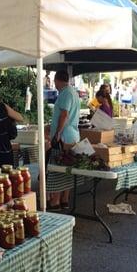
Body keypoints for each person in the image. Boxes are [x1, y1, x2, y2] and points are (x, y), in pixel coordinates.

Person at [49, 70, 80, 208]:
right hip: (72, 134)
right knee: (67, 169)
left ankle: (55, 200)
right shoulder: (73, 92)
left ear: (57, 80)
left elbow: (64, 114)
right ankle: (65, 200)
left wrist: (57, 133)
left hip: (64, 136)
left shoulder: (65, 93)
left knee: (57, 168)